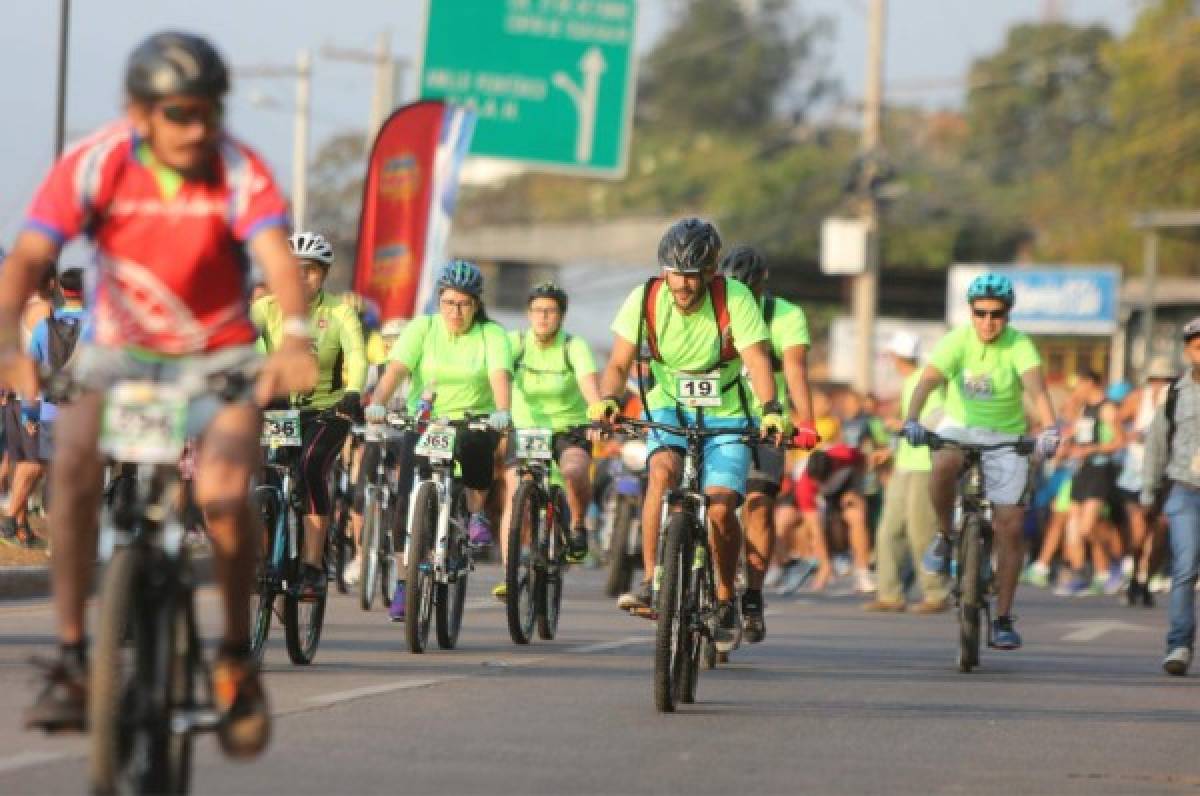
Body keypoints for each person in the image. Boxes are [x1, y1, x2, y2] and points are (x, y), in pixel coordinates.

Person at [3, 32, 317, 756]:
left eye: (208, 112)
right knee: (74, 469)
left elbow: (276, 253)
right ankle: (77, 658)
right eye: (179, 113)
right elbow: (28, 255)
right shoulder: (96, 162)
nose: (197, 129)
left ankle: (236, 661)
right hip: (119, 356)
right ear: (140, 112)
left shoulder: (238, 168)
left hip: (218, 357)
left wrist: (295, 340)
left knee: (224, 496)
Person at [589, 218, 785, 652]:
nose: (682, 285)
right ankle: (652, 579)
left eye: (692, 275)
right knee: (661, 472)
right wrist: (607, 399)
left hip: (728, 416)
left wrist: (771, 410)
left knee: (720, 508)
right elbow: (620, 363)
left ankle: (723, 600)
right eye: (674, 273)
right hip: (668, 408)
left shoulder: (734, 299)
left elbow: (756, 358)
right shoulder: (645, 298)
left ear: (711, 273)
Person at [903, 273, 1058, 650]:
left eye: (997, 314)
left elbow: (1037, 388)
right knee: (941, 464)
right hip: (962, 427)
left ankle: (1004, 618)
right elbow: (927, 382)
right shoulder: (956, 340)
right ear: (971, 313)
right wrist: (912, 418)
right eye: (981, 313)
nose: (989, 322)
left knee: (1011, 525)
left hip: (1007, 436)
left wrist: (1051, 427)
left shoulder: (1020, 345)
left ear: (1008, 315)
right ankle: (944, 534)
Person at [366, 259, 512, 621]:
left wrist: (502, 409)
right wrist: (377, 403)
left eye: (463, 303)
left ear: (476, 304)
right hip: (428, 422)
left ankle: (476, 514)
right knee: (404, 505)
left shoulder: (491, 335)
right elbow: (396, 369)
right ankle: (404, 582)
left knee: (476, 449)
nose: (455, 311)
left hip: (473, 419)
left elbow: (499, 374)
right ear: (439, 301)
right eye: (449, 302)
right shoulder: (423, 328)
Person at [252, 231, 365, 597]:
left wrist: (352, 395)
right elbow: (245, 347)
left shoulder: (339, 311)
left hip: (325, 411)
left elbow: (358, 356)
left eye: (312, 271)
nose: (302, 278)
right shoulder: (264, 310)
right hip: (277, 408)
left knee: (311, 465)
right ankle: (265, 554)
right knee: (261, 474)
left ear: (325, 275)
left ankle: (314, 564)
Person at [717, 245, 818, 641]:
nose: (741, 297)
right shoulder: (714, 311)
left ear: (762, 286)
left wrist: (806, 422)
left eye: (749, 290)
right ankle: (712, 586)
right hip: (719, 418)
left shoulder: (786, 316)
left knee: (758, 506)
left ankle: (753, 595)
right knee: (716, 505)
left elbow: (794, 369)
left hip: (766, 424)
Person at [494, 281, 601, 599]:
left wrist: (597, 412)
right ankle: (509, 573)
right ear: (528, 314)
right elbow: (500, 374)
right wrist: (499, 411)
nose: (543, 317)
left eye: (551, 311)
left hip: (568, 429)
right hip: (527, 429)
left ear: (562, 316)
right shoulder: (515, 343)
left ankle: (579, 525)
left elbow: (588, 382)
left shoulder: (574, 346)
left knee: (574, 471)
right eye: (538, 310)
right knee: (515, 493)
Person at [864, 332, 949, 613]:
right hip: (904, 463)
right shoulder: (910, 382)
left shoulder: (927, 379)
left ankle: (936, 594)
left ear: (897, 357)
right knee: (888, 530)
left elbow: (937, 418)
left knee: (921, 531)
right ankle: (890, 594)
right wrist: (889, 450)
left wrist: (901, 425)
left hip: (925, 464)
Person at [1143, 318, 1200, 676]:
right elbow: (1156, 445)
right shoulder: (1175, 394)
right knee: (1185, 567)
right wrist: (1149, 490)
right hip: (1184, 490)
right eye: (1197, 345)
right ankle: (1179, 644)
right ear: (1188, 351)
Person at [0, 267, 58, 547]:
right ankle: (10, 519)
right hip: (30, 396)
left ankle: (20, 526)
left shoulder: (17, 308)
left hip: (12, 394)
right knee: (35, 463)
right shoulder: (44, 311)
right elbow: (43, 356)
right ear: (52, 282)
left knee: (23, 462)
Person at [1057, 370, 1125, 596]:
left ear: (1090, 383)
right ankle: (1082, 574)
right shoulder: (1082, 409)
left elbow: (1120, 441)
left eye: (1079, 385)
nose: (1076, 390)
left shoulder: (1107, 408)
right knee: (1073, 528)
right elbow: (1074, 433)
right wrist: (1067, 448)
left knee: (1089, 525)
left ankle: (1115, 563)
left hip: (1099, 469)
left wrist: (1092, 449)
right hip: (1081, 471)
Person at [1117, 357, 1175, 606]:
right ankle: (1133, 578)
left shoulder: (1177, 403)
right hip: (1136, 472)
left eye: (1166, 380)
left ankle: (1146, 581)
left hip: (1166, 473)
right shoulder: (1136, 399)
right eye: (1156, 379)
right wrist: (1129, 436)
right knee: (1139, 529)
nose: (1161, 384)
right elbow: (1114, 419)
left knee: (1161, 530)